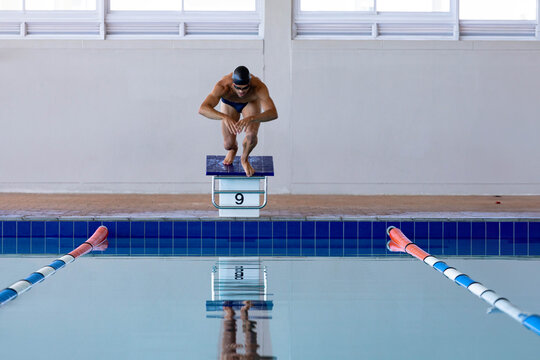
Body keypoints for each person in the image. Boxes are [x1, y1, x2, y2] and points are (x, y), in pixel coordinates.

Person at [199, 66, 278, 177]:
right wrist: (224, 117)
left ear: (249, 84)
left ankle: (244, 159)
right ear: (232, 84)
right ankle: (233, 149)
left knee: (251, 135)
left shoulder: (258, 87)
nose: (241, 91)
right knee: (228, 144)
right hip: (229, 103)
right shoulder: (223, 86)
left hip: (250, 103)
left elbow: (273, 113)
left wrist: (251, 118)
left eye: (245, 88)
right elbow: (203, 109)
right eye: (238, 88)